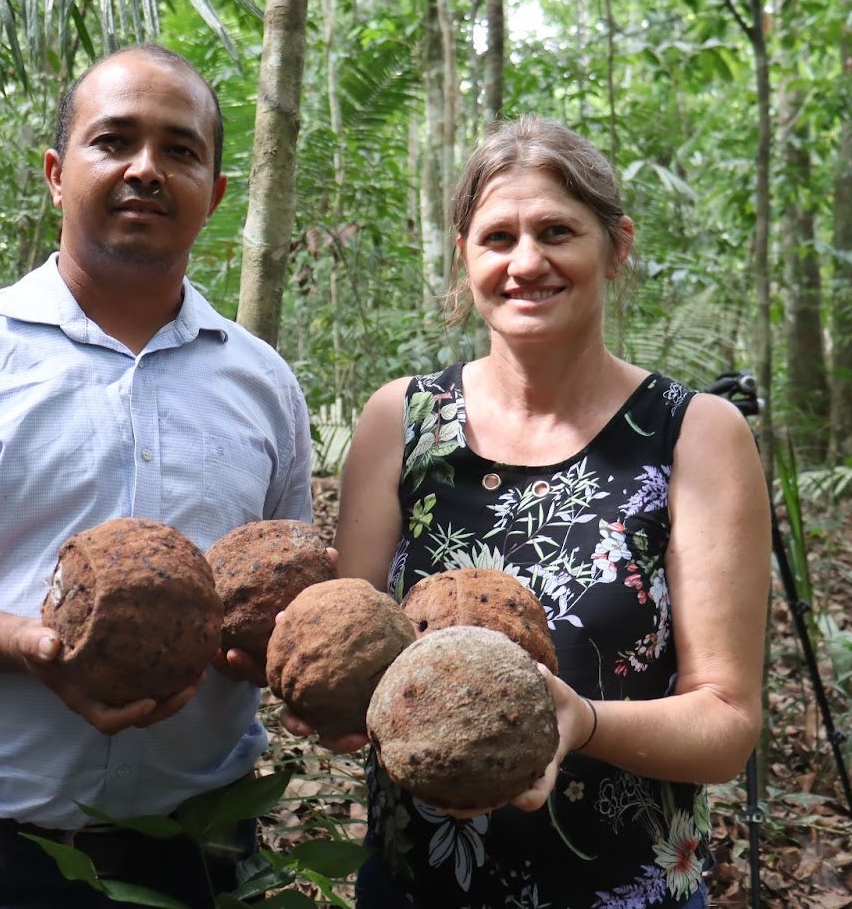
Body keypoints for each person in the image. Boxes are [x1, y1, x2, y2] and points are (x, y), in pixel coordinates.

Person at [0, 44, 314, 909]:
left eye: (181, 150)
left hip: (207, 855)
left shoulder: (263, 384)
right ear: (55, 172)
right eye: (113, 140)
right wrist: (27, 647)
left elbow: (285, 603)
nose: (146, 168)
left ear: (216, 195)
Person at [325, 116, 770, 908]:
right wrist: (320, 698)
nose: (526, 262)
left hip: (621, 889)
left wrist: (580, 722)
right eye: (498, 237)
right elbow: (354, 660)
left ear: (616, 244)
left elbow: (727, 725)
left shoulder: (692, 434)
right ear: (464, 257)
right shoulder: (402, 420)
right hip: (415, 884)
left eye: (557, 231)